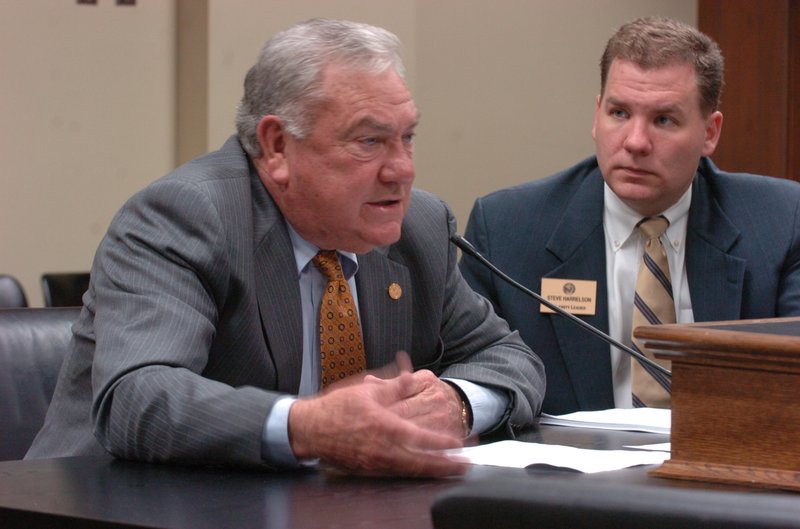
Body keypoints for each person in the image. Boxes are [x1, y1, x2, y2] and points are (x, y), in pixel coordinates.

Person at [27, 18, 544, 476]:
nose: (402, 170)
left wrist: (457, 404)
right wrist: (307, 425)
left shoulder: (419, 226)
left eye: (406, 138)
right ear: (276, 146)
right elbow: (137, 399)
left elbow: (507, 355)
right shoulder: (186, 216)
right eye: (369, 141)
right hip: (116, 504)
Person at [460, 16, 800, 415]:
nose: (636, 142)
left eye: (663, 120)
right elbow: (475, 373)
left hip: (721, 467)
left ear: (710, 133)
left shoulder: (779, 222)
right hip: (564, 471)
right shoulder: (506, 230)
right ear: (597, 115)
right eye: (619, 113)